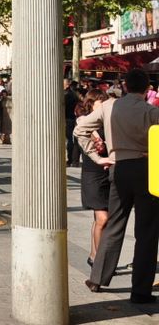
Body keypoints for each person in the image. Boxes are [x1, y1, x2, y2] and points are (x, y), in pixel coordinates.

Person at [78, 69, 159, 303]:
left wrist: (97, 157)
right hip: (146, 169)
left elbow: (80, 128)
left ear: (124, 86)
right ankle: (140, 291)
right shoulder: (151, 111)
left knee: (114, 223)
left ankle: (97, 278)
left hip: (119, 167)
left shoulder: (109, 107)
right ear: (147, 88)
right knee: (147, 231)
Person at [76, 89, 111, 267]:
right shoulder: (84, 122)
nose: (103, 105)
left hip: (108, 173)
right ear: (90, 104)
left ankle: (93, 254)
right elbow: (81, 131)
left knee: (102, 219)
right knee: (103, 218)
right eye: (99, 101)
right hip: (92, 174)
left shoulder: (108, 122)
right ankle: (100, 262)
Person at [64, 78, 80, 166]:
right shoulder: (73, 94)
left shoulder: (67, 94)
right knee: (71, 139)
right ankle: (73, 159)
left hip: (68, 118)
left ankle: (70, 159)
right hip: (72, 118)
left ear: (67, 85)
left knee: (70, 140)